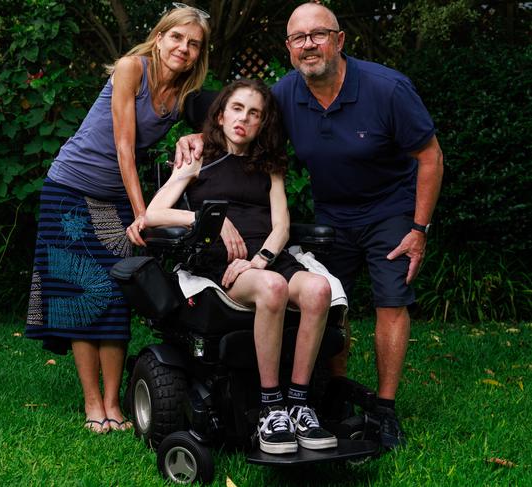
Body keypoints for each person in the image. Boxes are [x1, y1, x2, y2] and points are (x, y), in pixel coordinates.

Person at [175, 1, 444, 450]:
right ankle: (331, 394)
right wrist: (201, 136)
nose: (309, 45)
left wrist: (419, 227)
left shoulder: (388, 88)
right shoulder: (285, 94)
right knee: (332, 300)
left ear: (339, 40)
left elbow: (431, 157)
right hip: (332, 213)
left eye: (318, 34)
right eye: (299, 38)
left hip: (390, 210)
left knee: (390, 300)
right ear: (289, 48)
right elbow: (241, 116)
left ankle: (384, 409)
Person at [25, 4, 211, 434]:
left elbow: (226, 115)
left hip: (119, 199)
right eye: (177, 38)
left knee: (115, 296)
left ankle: (115, 403)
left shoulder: (183, 94)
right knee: (80, 293)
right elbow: (125, 148)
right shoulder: (132, 69)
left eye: (193, 44)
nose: (183, 48)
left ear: (199, 54)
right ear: (160, 37)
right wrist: (143, 213)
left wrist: (199, 132)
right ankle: (93, 404)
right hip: (70, 189)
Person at [144, 78, 339, 455]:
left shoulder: (269, 164)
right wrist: (208, 219)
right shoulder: (198, 158)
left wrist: (261, 258)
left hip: (265, 256)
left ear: (262, 123)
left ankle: (298, 403)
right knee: (272, 288)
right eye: (237, 109)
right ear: (220, 115)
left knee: (318, 290)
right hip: (223, 265)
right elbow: (154, 213)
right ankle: (271, 407)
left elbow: (281, 224)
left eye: (254, 114)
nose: (244, 119)